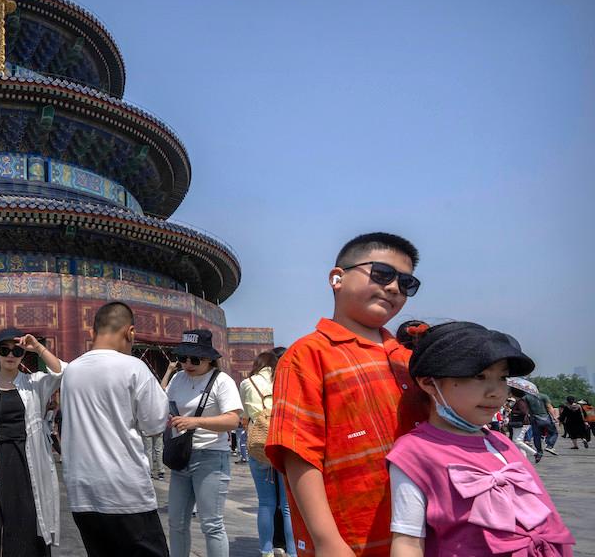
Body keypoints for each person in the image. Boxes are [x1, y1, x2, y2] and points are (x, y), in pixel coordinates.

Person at [265, 232, 429, 557]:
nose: (395, 287)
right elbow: (299, 453)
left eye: (406, 283)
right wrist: (327, 542)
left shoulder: (410, 360)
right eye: (382, 274)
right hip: (351, 538)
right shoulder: (308, 354)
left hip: (422, 534)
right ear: (337, 277)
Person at [387, 322, 575, 556]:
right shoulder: (414, 452)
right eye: (479, 376)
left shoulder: (502, 441)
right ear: (428, 382)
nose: (496, 391)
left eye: (502, 378)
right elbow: (408, 542)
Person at [61, 302, 169, 557]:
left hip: (83, 491)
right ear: (130, 332)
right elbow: (154, 424)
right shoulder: (133, 367)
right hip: (125, 491)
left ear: (93, 331)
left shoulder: (72, 371)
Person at [0, 329, 65, 554]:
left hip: (32, 461)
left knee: (33, 515)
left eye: (17, 350)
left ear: (23, 354)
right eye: (5, 350)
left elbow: (61, 372)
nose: (11, 355)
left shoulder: (34, 382)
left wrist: (37, 347)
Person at [164, 329, 244, 557]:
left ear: (209, 359)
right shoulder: (178, 378)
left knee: (211, 524)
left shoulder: (222, 381)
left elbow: (233, 420)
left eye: (195, 359)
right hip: (181, 457)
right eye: (182, 358)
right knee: (176, 522)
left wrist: (194, 422)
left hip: (210, 457)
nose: (187, 363)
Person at [240, 351, 295, 557]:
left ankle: (266, 551)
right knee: (288, 506)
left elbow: (244, 415)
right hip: (282, 444)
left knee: (265, 503)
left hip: (259, 445)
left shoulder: (248, 383)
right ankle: (292, 552)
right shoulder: (285, 379)